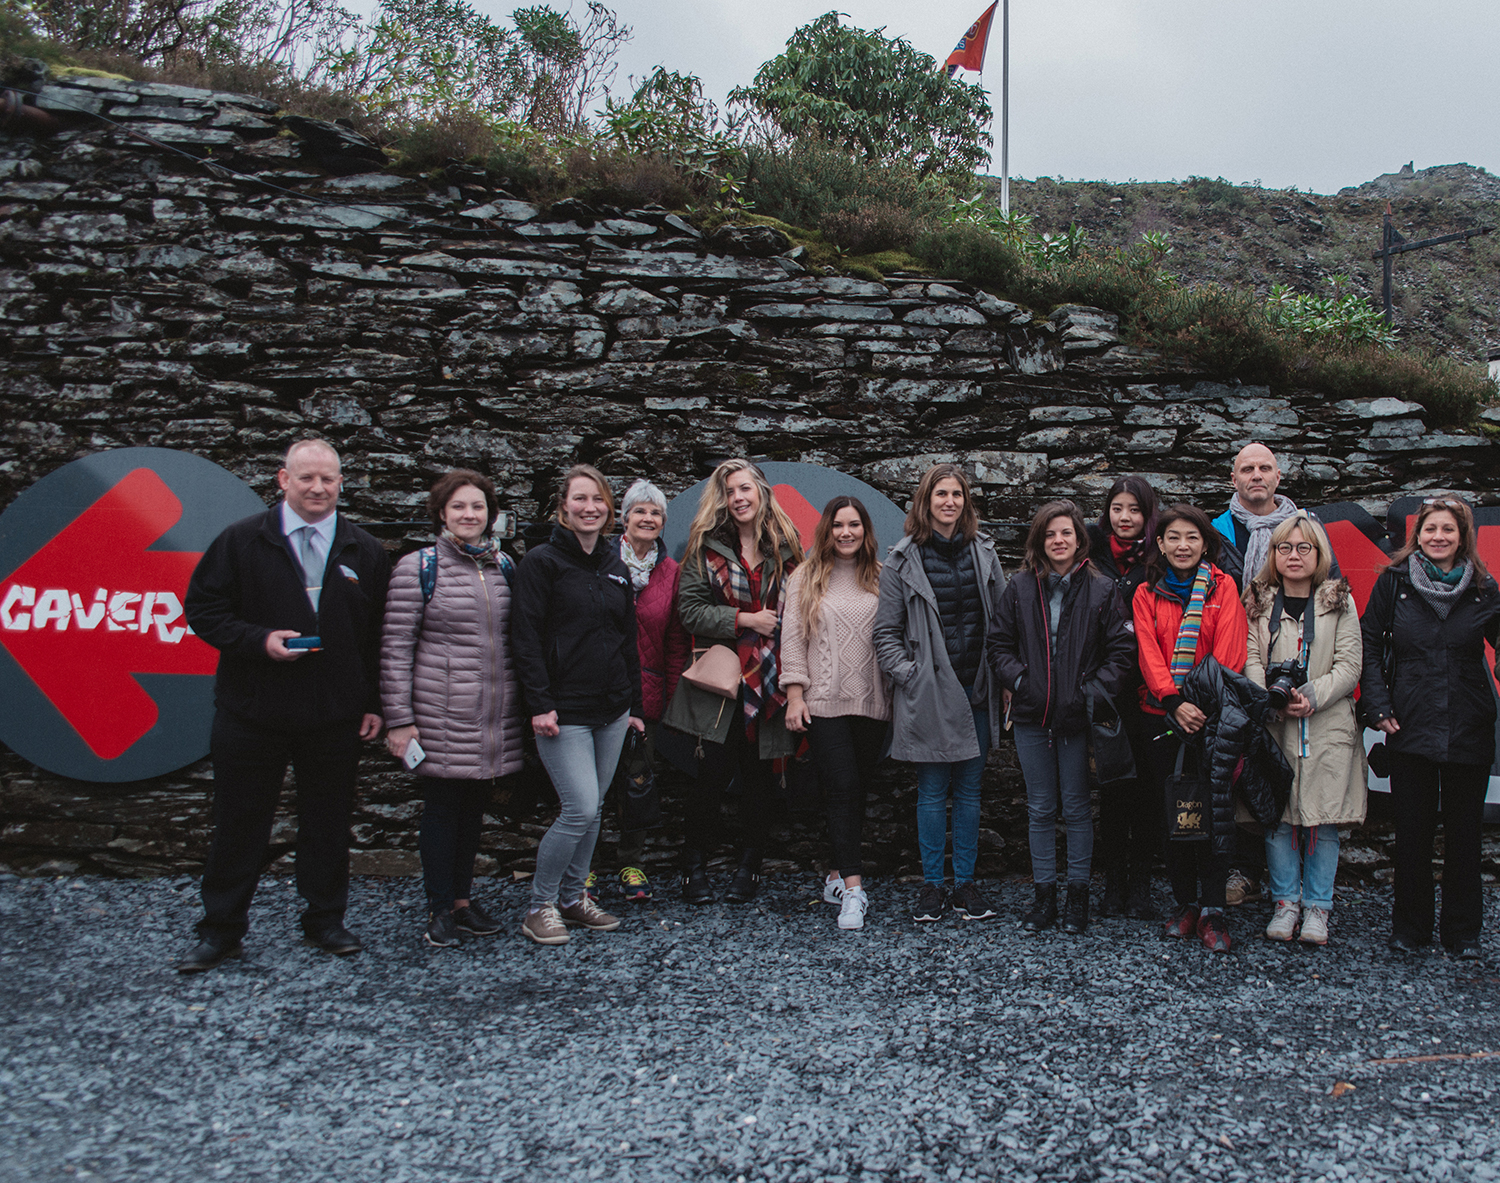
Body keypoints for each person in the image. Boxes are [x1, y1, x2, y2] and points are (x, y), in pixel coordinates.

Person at [177, 438, 389, 973]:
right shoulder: (242, 541)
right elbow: (202, 609)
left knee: (327, 822)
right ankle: (221, 929)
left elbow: (377, 637)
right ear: (282, 480)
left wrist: (372, 702)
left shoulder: (364, 549)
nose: (318, 488)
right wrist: (258, 640)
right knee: (239, 823)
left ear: (342, 483)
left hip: (333, 715)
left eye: (328, 479)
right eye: (307, 478)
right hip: (253, 711)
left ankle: (324, 920)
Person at [380, 470, 525, 949]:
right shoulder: (418, 567)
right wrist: (400, 720)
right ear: (441, 512)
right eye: (459, 507)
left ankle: (463, 901)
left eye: (478, 507)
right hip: (440, 713)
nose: (470, 515)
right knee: (442, 810)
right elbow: (396, 647)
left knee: (473, 809)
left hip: (491, 717)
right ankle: (439, 907)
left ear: (491, 514)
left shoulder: (503, 566)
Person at [1361, 497, 1500, 961]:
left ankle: (1463, 933)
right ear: (1416, 536)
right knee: (1412, 832)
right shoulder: (1394, 583)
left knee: (1464, 835)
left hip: (1470, 722)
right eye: (1429, 529)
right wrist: (1376, 704)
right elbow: (1366, 641)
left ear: (1463, 538)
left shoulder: (1484, 588)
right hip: (1409, 721)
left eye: (1448, 530)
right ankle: (1410, 928)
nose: (1437, 537)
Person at [510, 464, 643, 946]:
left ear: (609, 509)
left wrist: (635, 704)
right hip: (562, 711)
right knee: (580, 807)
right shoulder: (541, 563)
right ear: (563, 507)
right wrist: (539, 703)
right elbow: (524, 639)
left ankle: (573, 898)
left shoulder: (615, 565)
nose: (590, 508)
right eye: (580, 499)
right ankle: (539, 906)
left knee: (595, 807)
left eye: (599, 500)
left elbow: (627, 640)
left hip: (611, 709)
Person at [991, 500, 1135, 935]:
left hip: (1076, 718)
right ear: (1039, 540)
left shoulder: (1102, 589)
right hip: (1033, 716)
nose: (1058, 541)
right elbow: (998, 645)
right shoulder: (1019, 588)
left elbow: (1122, 651)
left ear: (1079, 540)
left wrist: (1090, 693)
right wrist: (1022, 683)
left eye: (1066, 534)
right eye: (1050, 534)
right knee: (1039, 808)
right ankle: (1044, 895)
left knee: (1075, 808)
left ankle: (1077, 898)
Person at [664, 459, 804, 905]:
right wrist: (745, 618)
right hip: (723, 683)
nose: (738, 497)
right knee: (711, 778)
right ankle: (693, 866)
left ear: (761, 492)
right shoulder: (706, 548)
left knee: (760, 779)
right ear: (722, 500)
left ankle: (751, 866)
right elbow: (689, 611)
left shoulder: (788, 547)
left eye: (745, 488)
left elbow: (802, 609)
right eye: (729, 491)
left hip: (771, 680)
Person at [872, 463, 1006, 924]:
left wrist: (1003, 675)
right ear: (924, 501)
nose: (949, 502)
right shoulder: (901, 559)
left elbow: (1004, 622)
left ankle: (966, 885)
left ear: (965, 501)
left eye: (956, 494)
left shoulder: (983, 552)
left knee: (969, 791)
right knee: (931, 791)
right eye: (940, 494)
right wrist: (910, 674)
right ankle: (933, 886)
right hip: (929, 690)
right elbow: (885, 632)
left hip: (977, 687)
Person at [1209, 442, 1340, 907]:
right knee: (1243, 770)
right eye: (1248, 468)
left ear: (1279, 477)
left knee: (1284, 770)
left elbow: (1333, 597)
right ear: (1234, 478)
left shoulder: (1307, 531)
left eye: (1266, 467)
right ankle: (1245, 870)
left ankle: (1299, 887)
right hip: (1234, 664)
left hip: (1291, 664)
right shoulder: (1215, 532)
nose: (1257, 475)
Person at [1244, 512, 1366, 946]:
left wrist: (1311, 694)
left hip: (1326, 723)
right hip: (1275, 724)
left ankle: (1317, 908)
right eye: (1285, 548)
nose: (1294, 556)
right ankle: (1284, 903)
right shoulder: (1258, 602)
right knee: (1278, 818)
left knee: (1322, 821)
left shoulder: (1339, 601)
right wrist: (1269, 699)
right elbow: (1251, 659)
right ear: (1273, 555)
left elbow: (1350, 665)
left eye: (1303, 548)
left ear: (1319, 554)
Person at [1133, 503, 1249, 953]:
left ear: (1205, 543)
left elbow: (1229, 653)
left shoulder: (1224, 588)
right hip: (1161, 716)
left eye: (1192, 538)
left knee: (1215, 815)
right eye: (1174, 538)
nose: (1183, 546)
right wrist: (1173, 701)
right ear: (1160, 544)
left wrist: (1196, 705)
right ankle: (1185, 902)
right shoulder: (1146, 592)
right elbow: (1147, 652)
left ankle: (1214, 908)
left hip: (1211, 717)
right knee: (1173, 812)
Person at [782, 496, 892, 931]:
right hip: (823, 702)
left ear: (866, 530)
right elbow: (792, 639)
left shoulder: (882, 578)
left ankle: (833, 873)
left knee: (856, 789)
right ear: (825, 530)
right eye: (838, 526)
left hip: (873, 702)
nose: (846, 533)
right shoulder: (805, 576)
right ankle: (853, 890)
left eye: (854, 525)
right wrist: (795, 696)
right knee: (843, 784)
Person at [600, 478, 691, 903]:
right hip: (597, 689)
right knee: (591, 785)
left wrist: (672, 697)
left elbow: (676, 640)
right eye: (640, 511)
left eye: (655, 513)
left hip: (648, 692)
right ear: (624, 518)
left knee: (637, 781)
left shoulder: (671, 573)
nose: (648, 518)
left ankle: (630, 863)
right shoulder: (599, 562)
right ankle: (582, 868)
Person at [1086, 475, 1162, 918]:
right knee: (1114, 790)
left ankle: (1141, 884)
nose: (1126, 517)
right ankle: (1112, 883)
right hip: (1107, 691)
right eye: (1118, 508)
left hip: (1151, 692)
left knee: (1150, 791)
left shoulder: (1159, 559)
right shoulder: (1092, 557)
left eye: (1134, 509)